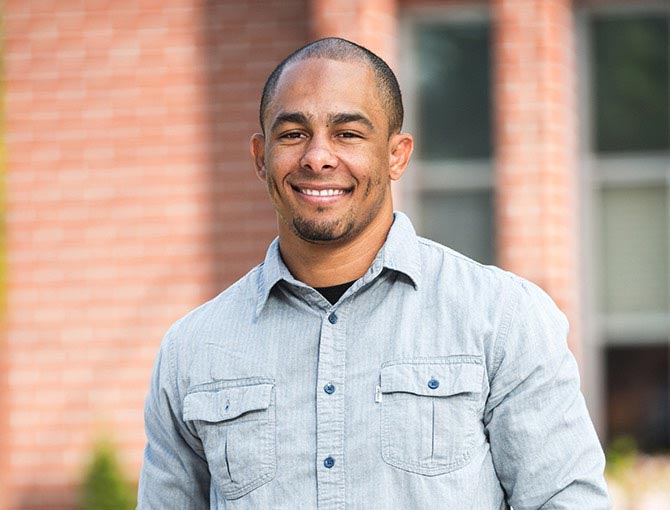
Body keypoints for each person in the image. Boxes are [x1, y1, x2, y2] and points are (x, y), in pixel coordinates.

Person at [137, 37, 610, 509]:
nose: (317, 157)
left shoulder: (501, 317)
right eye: (293, 134)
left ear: (396, 155)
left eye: (347, 134)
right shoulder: (192, 351)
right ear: (261, 157)